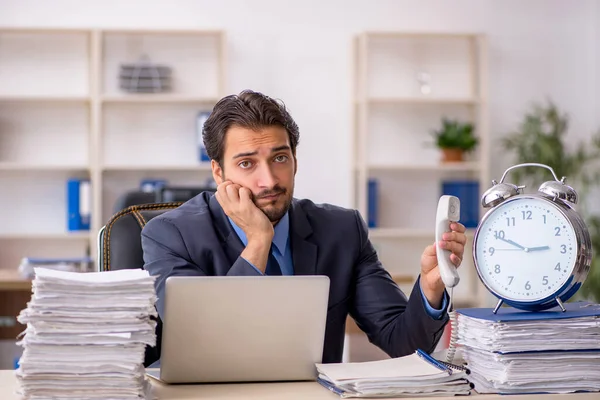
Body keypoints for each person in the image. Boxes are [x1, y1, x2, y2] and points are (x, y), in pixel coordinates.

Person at [141, 89, 467, 364]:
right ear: (218, 172)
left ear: (295, 160)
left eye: (279, 158)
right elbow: (205, 345)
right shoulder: (170, 235)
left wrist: (430, 285)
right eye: (246, 163)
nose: (268, 180)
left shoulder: (341, 230)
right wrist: (258, 242)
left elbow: (402, 342)